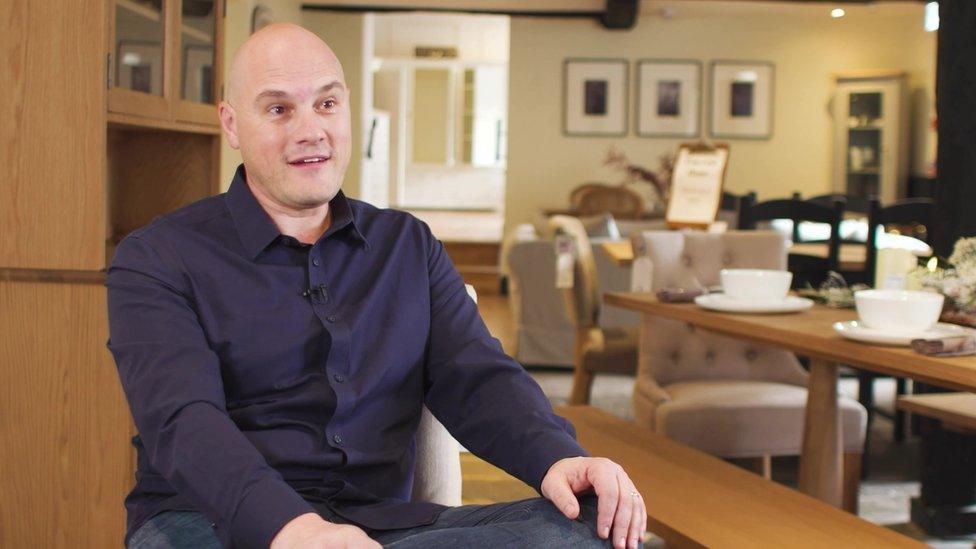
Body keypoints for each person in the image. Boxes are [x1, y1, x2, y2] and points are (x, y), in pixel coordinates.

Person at [107, 23, 645, 549]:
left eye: (327, 104)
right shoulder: (157, 258)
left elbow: (478, 377)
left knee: (593, 528)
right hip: (213, 523)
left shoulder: (408, 245)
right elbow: (184, 421)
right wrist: (288, 528)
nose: (310, 130)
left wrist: (558, 457)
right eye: (278, 109)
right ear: (231, 124)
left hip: (383, 527)